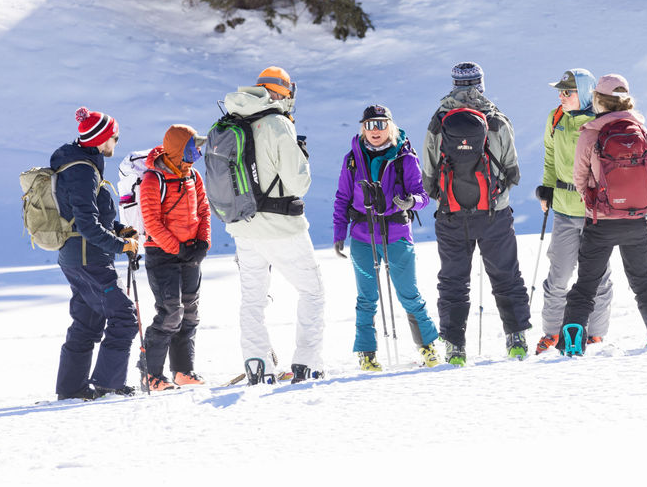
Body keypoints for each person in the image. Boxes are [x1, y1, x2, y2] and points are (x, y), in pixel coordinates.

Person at [558, 74, 647, 354]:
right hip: (637, 219)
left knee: (586, 286)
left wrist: (592, 200)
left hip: (601, 221)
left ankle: (573, 339)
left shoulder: (591, 132)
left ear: (598, 99)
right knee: (643, 282)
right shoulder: (640, 129)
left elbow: (579, 177)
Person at [421, 62, 531, 365]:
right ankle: (516, 338)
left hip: (451, 216)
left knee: (453, 281)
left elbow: (428, 173)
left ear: (454, 84)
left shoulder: (439, 120)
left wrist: (446, 199)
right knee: (506, 276)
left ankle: (455, 346)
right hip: (494, 214)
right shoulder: (496, 119)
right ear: (481, 84)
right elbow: (512, 169)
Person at [223, 67, 326, 383]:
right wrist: (302, 156)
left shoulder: (233, 119)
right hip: (280, 226)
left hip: (243, 226)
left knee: (253, 299)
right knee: (312, 291)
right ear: (284, 92)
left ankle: (257, 363)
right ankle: (307, 363)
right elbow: (299, 183)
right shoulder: (278, 124)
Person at [332, 105, 441, 371]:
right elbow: (343, 198)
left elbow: (423, 196)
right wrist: (339, 233)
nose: (375, 130)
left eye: (380, 124)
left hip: (397, 236)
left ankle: (427, 347)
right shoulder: (352, 159)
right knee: (366, 298)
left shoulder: (405, 157)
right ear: (363, 128)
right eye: (369, 125)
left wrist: (410, 202)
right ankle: (367, 354)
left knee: (409, 294)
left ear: (390, 126)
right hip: (362, 237)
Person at [52, 107, 140, 400]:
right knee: (125, 317)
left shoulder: (78, 165)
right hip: (89, 258)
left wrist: (120, 230)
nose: (116, 141)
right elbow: (87, 225)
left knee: (87, 322)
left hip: (77, 256)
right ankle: (109, 385)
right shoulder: (83, 171)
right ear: (102, 139)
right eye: (115, 136)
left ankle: (72, 389)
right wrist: (120, 246)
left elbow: (87, 217)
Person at [533, 69, 613, 354]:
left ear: (586, 92)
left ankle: (596, 334)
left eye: (567, 91)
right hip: (564, 210)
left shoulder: (601, 122)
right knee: (558, 277)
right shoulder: (556, 118)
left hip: (595, 213)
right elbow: (550, 155)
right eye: (560, 91)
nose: (561, 96)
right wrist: (546, 188)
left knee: (599, 277)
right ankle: (553, 333)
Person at [137, 124, 211, 390]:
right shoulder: (152, 179)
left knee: (190, 312)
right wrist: (177, 248)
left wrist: (203, 242)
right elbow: (152, 223)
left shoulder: (193, 176)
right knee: (170, 312)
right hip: (162, 255)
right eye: (192, 150)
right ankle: (150, 375)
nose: (196, 156)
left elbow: (203, 210)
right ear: (178, 150)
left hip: (190, 252)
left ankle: (183, 371)